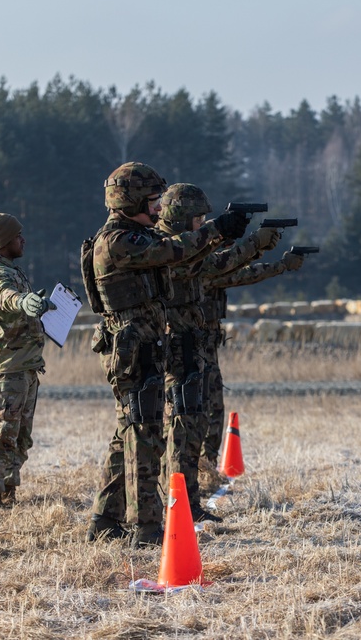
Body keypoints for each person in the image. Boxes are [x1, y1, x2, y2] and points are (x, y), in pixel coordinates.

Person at [82, 164, 248, 547]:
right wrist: (217, 230)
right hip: (133, 347)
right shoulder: (119, 240)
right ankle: (145, 527)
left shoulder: (131, 236)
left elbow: (180, 257)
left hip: (141, 344)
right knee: (144, 436)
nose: (158, 209)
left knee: (129, 434)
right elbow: (172, 250)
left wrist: (217, 236)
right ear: (131, 200)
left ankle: (105, 519)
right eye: (153, 201)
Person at [155, 184, 276, 521]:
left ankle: (187, 503)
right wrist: (251, 244)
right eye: (198, 219)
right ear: (181, 219)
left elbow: (217, 265)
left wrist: (253, 247)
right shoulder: (165, 249)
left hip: (192, 345)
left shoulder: (178, 248)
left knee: (192, 425)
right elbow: (216, 267)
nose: (202, 224)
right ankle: (179, 505)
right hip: (177, 346)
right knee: (180, 429)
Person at [198, 249, 306, 473]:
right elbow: (239, 271)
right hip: (189, 352)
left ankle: (204, 469)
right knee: (190, 417)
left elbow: (236, 267)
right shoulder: (193, 259)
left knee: (213, 410)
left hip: (205, 350)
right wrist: (271, 255)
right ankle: (188, 476)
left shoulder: (199, 256)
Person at [0, 213, 55, 507]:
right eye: (18, 235)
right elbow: (6, 296)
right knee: (4, 431)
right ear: (3, 241)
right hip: (9, 367)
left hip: (25, 365)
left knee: (21, 434)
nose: (23, 240)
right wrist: (24, 301)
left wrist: (39, 305)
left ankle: (9, 487)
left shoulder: (12, 270)